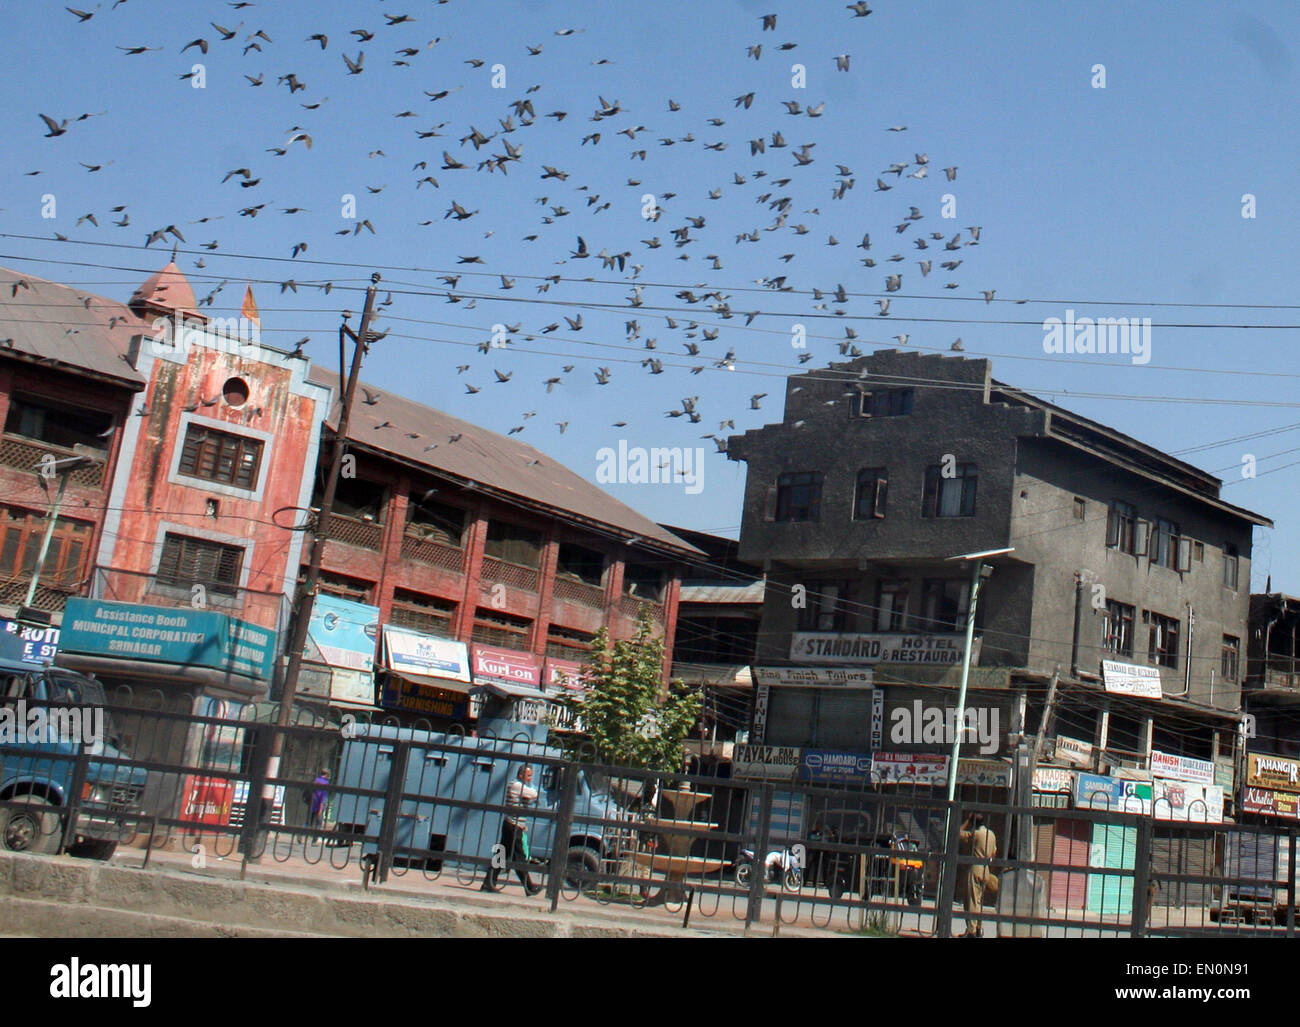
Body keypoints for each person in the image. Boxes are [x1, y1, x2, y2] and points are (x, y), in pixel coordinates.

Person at [483, 765, 542, 895]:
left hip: (514, 825)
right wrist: (532, 790)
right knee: (519, 857)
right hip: (513, 826)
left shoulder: (520, 786)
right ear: (520, 775)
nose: (530, 778)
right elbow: (534, 794)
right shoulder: (516, 785)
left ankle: (488, 883)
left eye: (531, 775)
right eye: (528, 775)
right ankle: (529, 887)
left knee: (501, 854)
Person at [959, 814, 998, 937]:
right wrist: (988, 869)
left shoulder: (975, 834)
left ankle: (971, 930)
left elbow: (958, 833)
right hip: (986, 870)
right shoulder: (991, 834)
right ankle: (979, 928)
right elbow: (994, 854)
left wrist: (967, 820)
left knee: (972, 900)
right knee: (979, 901)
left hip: (975, 869)